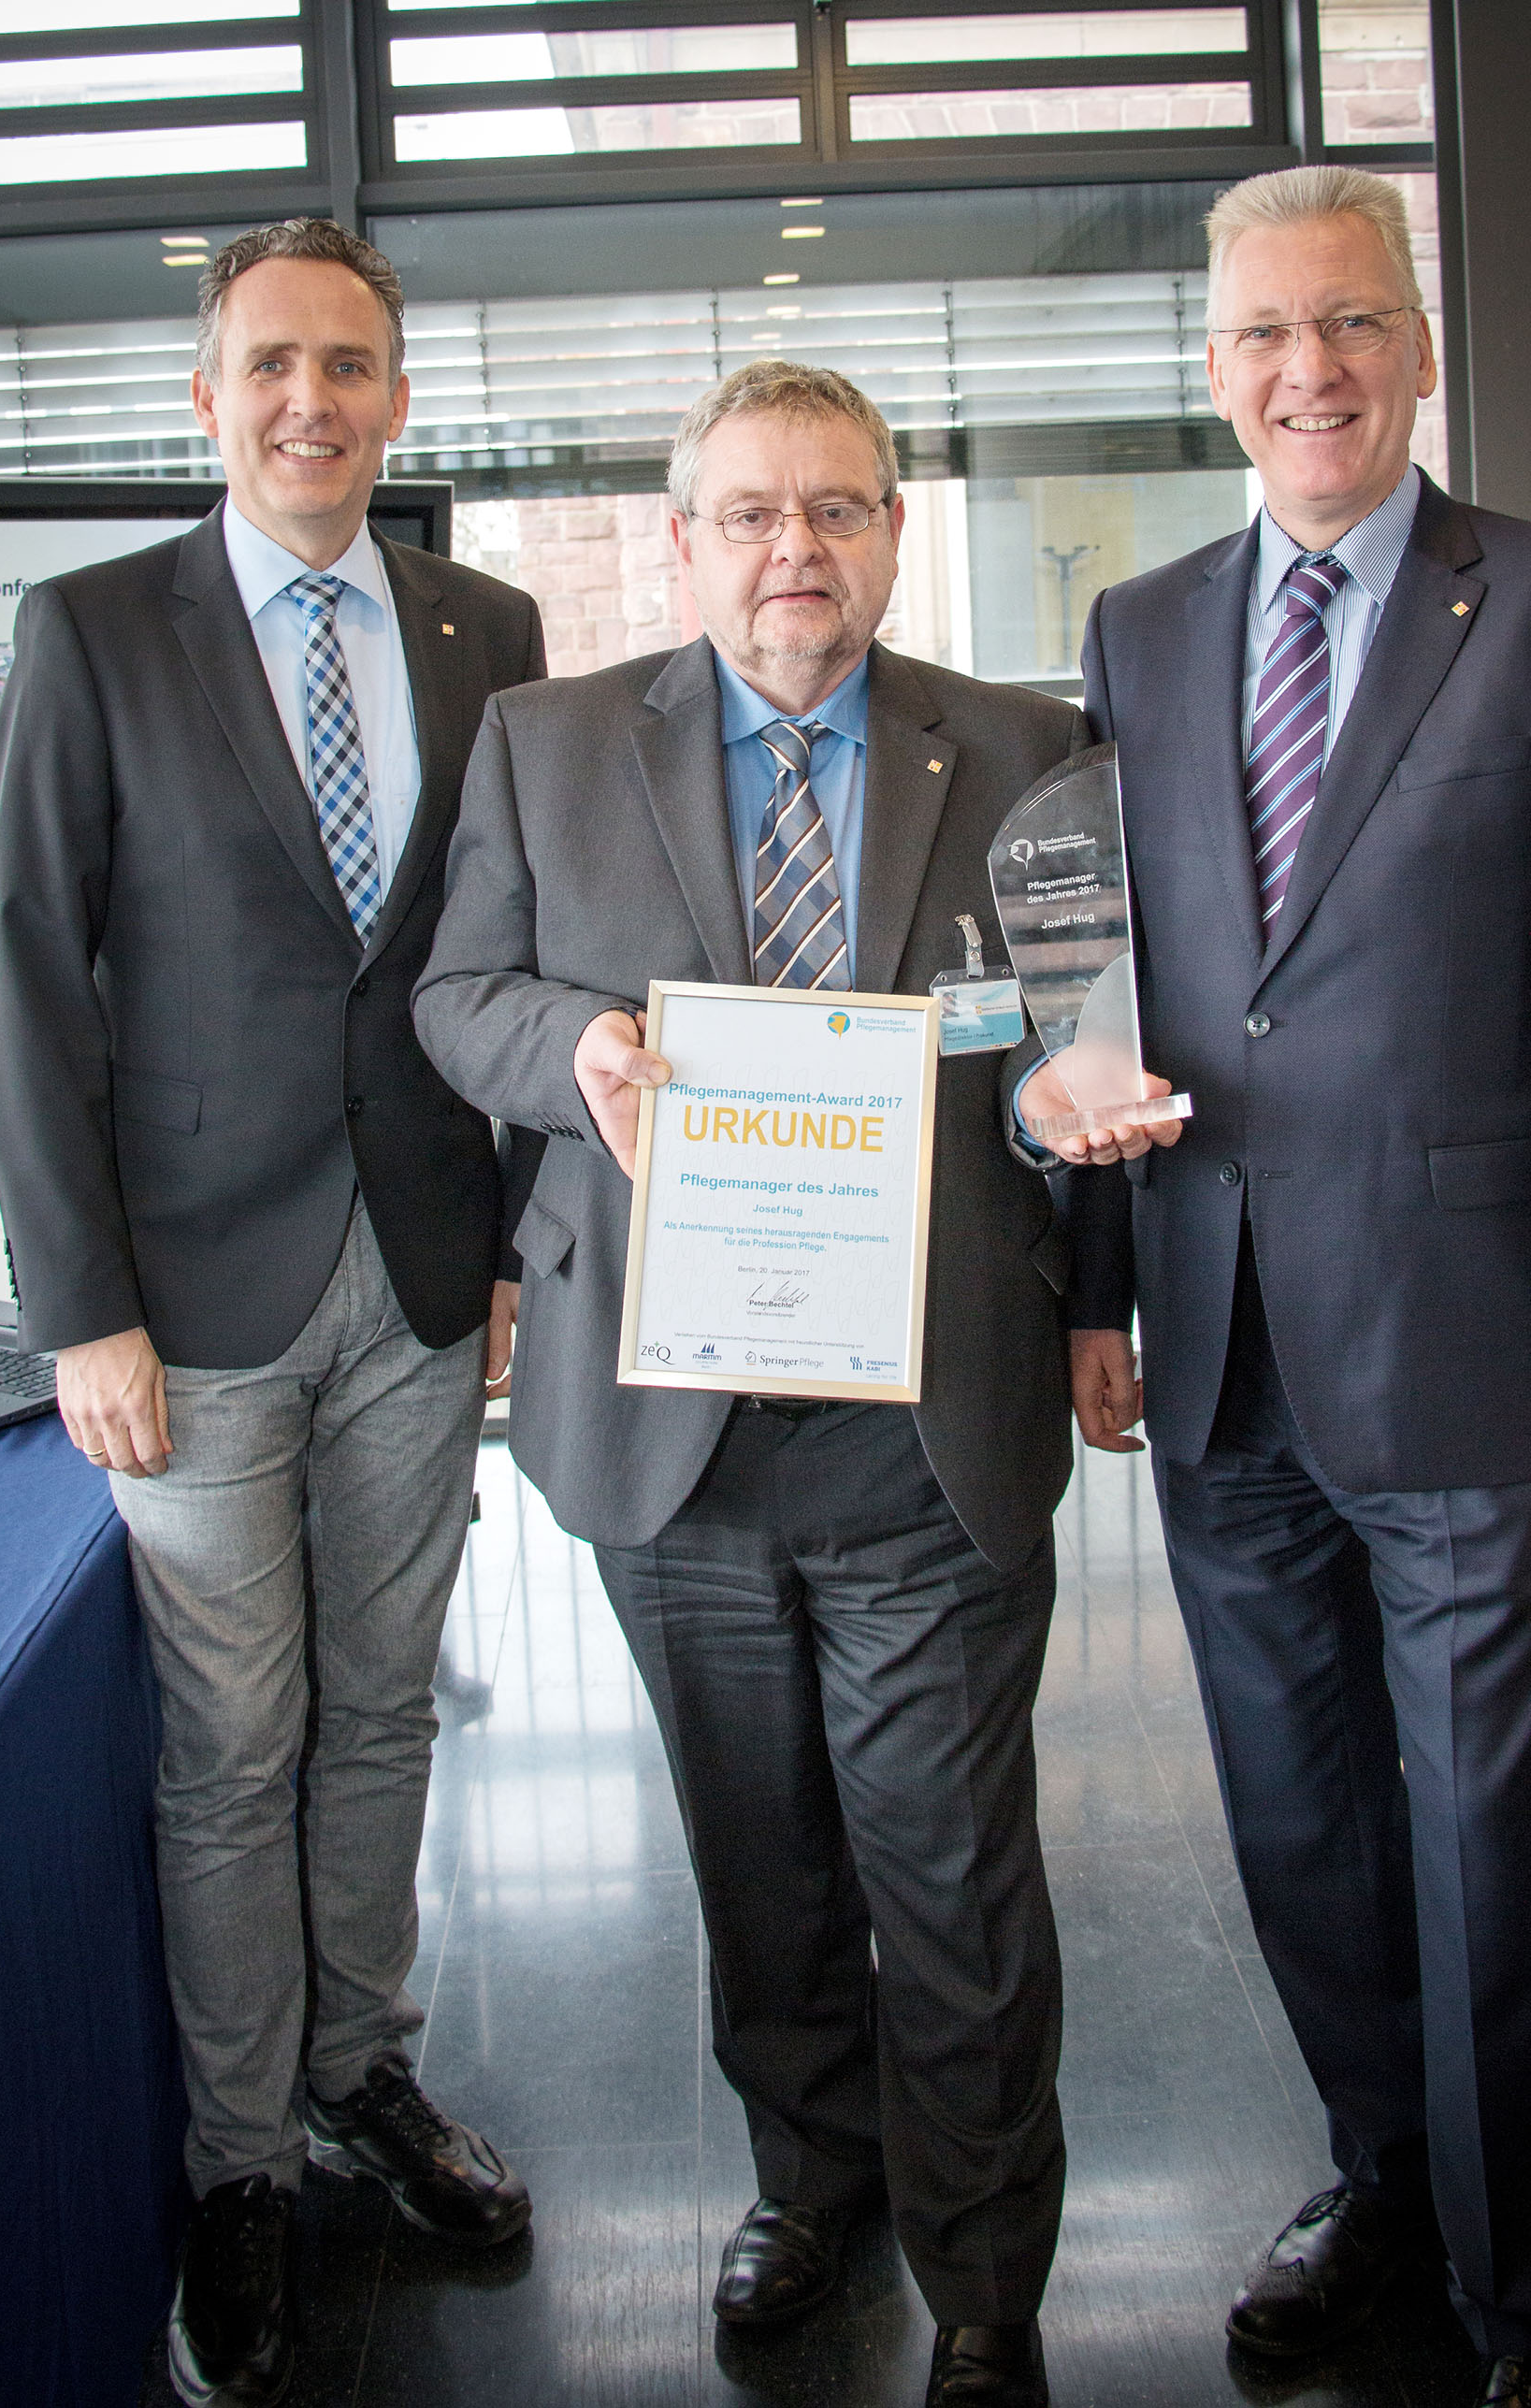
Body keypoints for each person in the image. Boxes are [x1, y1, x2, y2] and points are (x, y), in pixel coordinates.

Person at [1020, 166, 1531, 2408]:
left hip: (1473, 1346)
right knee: (1299, 1820)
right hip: (1217, 1343)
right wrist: (1100, 1291)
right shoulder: (1139, 631)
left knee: (1481, 1832)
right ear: (1212, 368)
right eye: (1262, 332)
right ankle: (1381, 2173)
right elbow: (1106, 990)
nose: (1307, 368)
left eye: (1348, 323)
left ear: (1416, 348)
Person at [414, 360, 1084, 2408]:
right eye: (753, 513)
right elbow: (457, 995)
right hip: (671, 1421)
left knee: (949, 1875)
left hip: (927, 1422)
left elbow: (1082, 1032)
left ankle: (986, 2278)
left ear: (892, 529)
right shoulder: (543, 742)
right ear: (684, 539)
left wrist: (1097, 1246)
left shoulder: (1024, 748)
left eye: (838, 508)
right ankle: (811, 2183)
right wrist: (580, 1054)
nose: (797, 548)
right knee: (758, 1855)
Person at [0, 219, 545, 2408]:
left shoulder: (485, 627)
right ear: (204, 396)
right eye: (272, 364)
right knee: (232, 1749)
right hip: (188, 1303)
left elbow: (500, 956)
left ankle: (360, 2069)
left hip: (419, 1266)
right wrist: (81, 1311)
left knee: (385, 1711)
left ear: (398, 394)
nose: (312, 400)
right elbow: (32, 983)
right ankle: (239, 2161)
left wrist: (506, 1248)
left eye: (350, 363)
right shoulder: (92, 627)